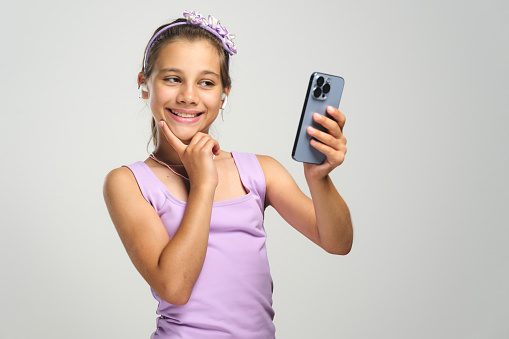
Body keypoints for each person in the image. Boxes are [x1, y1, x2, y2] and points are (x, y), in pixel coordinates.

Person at [103, 10, 353, 339]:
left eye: (206, 82)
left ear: (224, 94)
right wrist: (204, 184)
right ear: (145, 85)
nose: (188, 96)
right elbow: (175, 288)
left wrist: (319, 179)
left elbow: (337, 242)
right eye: (172, 78)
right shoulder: (129, 183)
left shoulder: (259, 171)